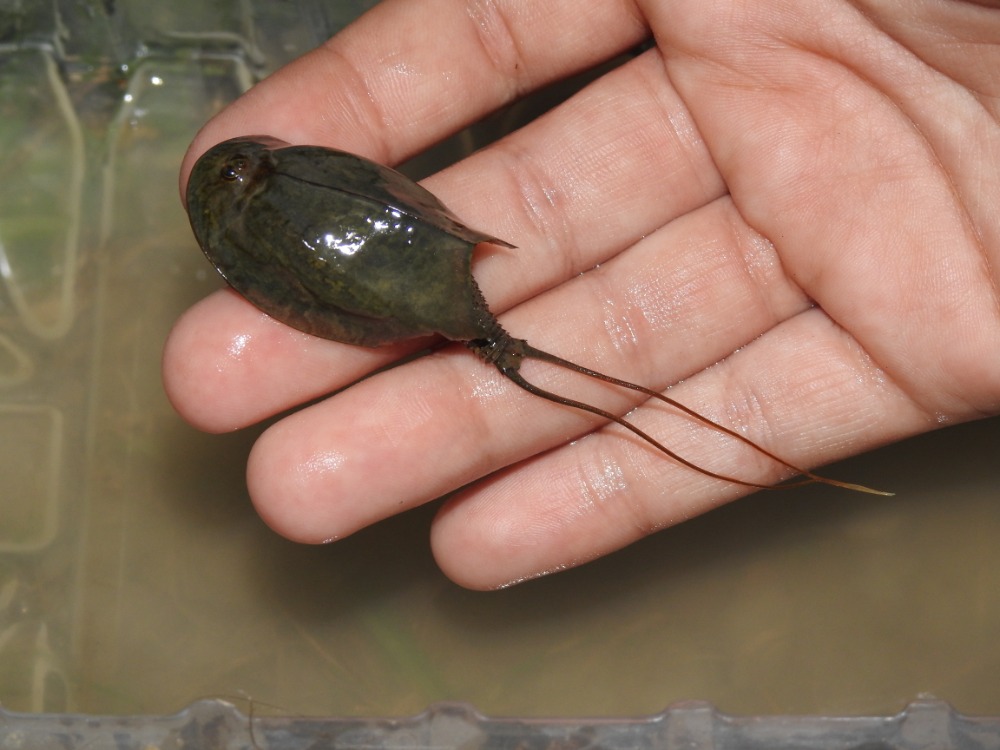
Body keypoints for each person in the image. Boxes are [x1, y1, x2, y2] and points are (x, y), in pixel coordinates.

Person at [163, 0, 1000, 589]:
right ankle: (497, 342)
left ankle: (496, 343)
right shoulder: (286, 177)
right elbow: (383, 206)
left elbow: (350, 236)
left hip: (426, 276)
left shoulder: (253, 215)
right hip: (433, 264)